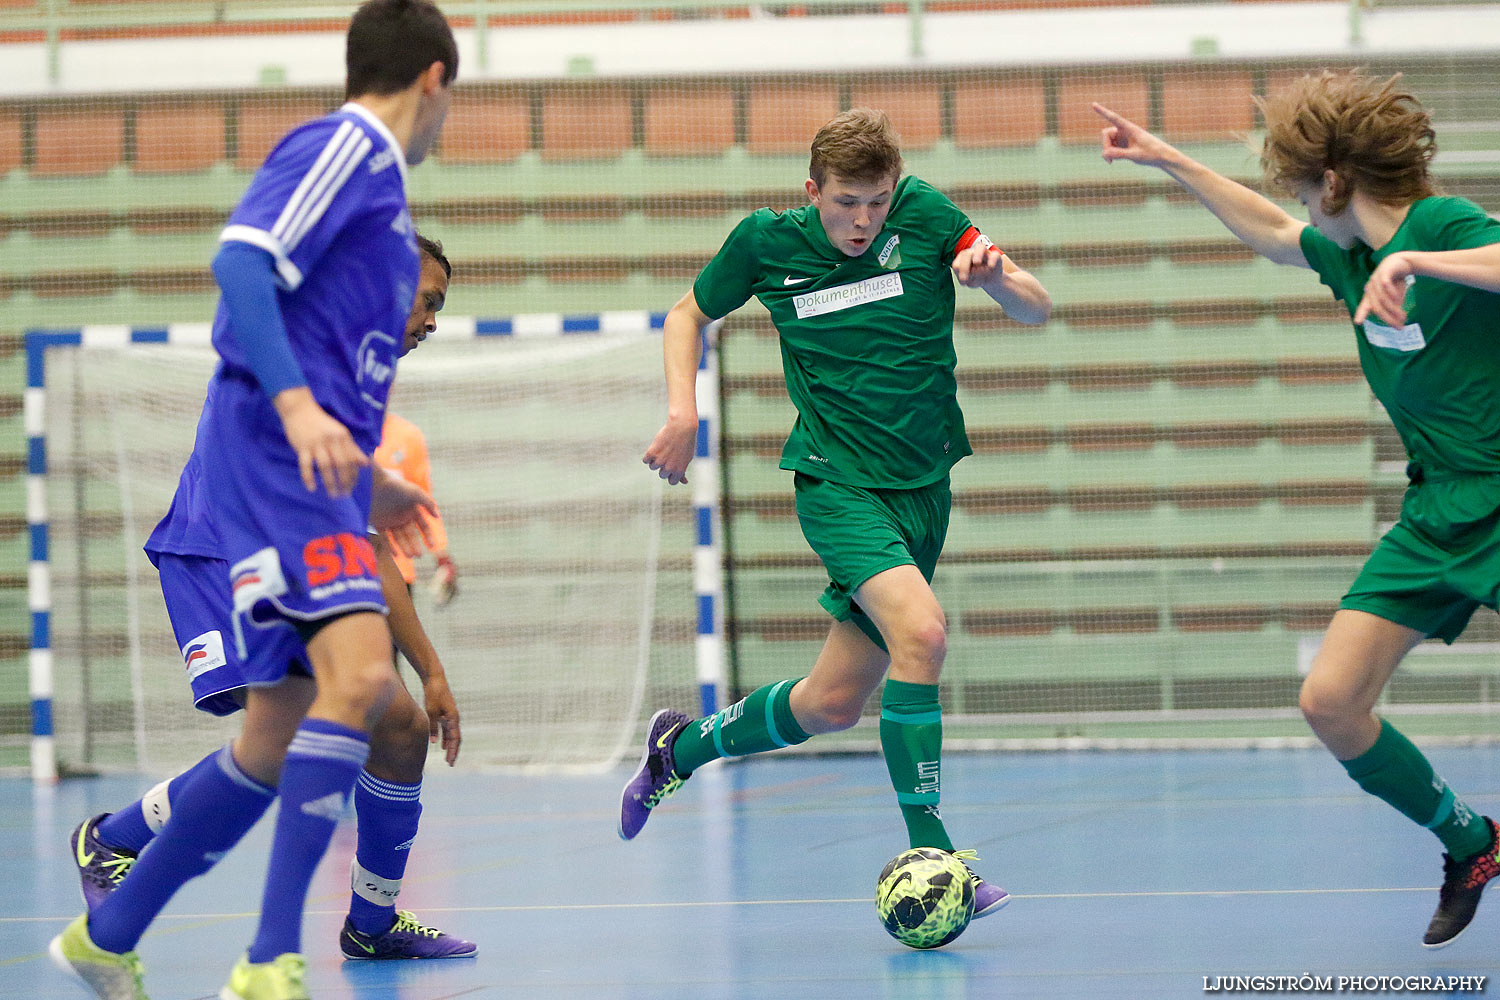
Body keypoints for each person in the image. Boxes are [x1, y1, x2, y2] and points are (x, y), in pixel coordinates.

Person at [48, 2, 458, 997]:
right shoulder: (350, 148)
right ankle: (270, 959)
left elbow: (334, 377)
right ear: (435, 82)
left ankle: (108, 933)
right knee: (360, 688)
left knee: (276, 734)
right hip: (271, 462)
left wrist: (377, 481)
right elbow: (239, 259)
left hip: (308, 474)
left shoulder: (384, 223)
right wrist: (292, 409)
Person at [1092, 71, 1500, 949]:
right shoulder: (1344, 253)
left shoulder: (1438, 228)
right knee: (1332, 699)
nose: (1295, 201)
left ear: (1338, 183)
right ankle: (1472, 842)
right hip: (1439, 508)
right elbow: (1274, 233)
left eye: (1302, 183)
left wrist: (1415, 261)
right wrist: (1168, 160)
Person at [621, 108, 1052, 917]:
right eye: (847, 202)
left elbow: (1038, 306)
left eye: (877, 202)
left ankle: (680, 748)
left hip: (925, 489)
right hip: (836, 484)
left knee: (830, 703)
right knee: (922, 633)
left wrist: (996, 279)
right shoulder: (766, 242)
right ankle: (935, 852)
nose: (863, 220)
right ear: (812, 191)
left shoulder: (927, 216)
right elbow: (686, 315)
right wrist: (683, 411)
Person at [63, 235, 472, 971]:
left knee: (401, 727)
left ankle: (367, 924)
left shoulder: (358, 383)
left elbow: (368, 535)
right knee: (295, 737)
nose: (433, 322)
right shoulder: (300, 343)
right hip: (223, 552)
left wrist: (432, 669)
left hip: (295, 554)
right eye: (430, 300)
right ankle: (126, 863)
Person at [374, 407, 460, 607]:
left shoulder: (407, 435)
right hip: (348, 571)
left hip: (397, 568)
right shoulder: (337, 431)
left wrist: (441, 555)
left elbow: (422, 499)